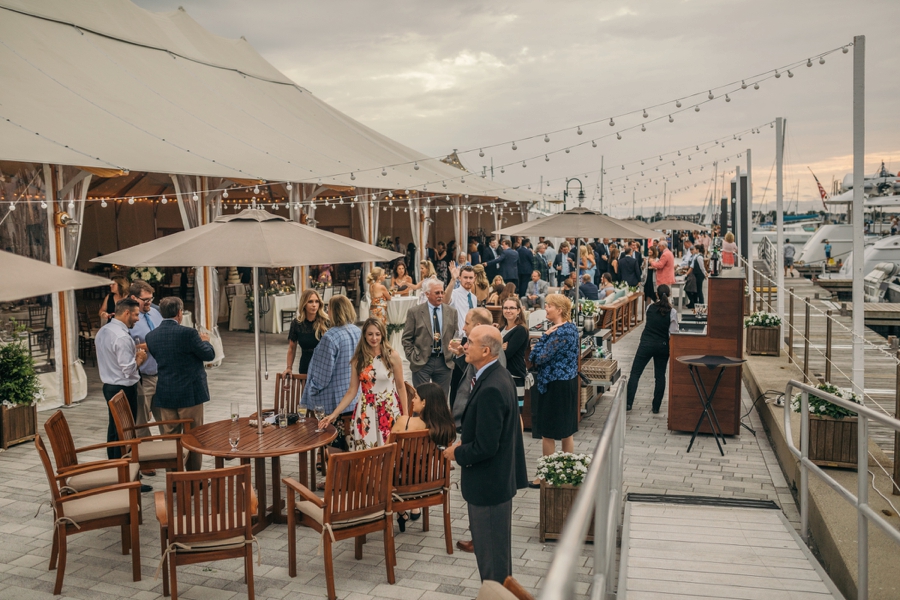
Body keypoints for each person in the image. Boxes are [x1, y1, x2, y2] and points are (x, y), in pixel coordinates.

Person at [443, 325, 527, 583]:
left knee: (492, 562)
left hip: (489, 487)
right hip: (496, 484)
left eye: (470, 342)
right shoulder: (498, 375)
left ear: (486, 351)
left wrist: (457, 452)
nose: (464, 346)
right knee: (495, 558)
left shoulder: (492, 386)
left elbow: (486, 446)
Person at [145, 296, 215, 472]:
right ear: (179, 313)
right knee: (193, 435)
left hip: (166, 392)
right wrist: (206, 342)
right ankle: (193, 477)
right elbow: (208, 355)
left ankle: (174, 478)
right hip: (190, 392)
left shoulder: (151, 336)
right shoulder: (188, 333)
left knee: (170, 437)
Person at [320, 318, 407, 450]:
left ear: (383, 335)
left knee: (389, 449)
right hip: (367, 410)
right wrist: (334, 414)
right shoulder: (358, 359)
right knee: (367, 451)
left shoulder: (392, 356)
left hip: (389, 408)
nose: (374, 338)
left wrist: (405, 416)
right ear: (364, 335)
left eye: (377, 334)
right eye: (370, 334)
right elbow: (352, 390)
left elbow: (400, 387)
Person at [391, 382, 457, 532]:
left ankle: (400, 511)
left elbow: (388, 452)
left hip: (400, 483)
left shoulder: (404, 422)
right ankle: (405, 511)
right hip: (428, 481)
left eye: (415, 397)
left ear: (424, 402)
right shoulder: (445, 427)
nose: (413, 400)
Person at [528, 294, 579, 487]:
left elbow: (536, 357)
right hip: (568, 383)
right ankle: (566, 472)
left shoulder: (558, 333)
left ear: (559, 310)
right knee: (567, 430)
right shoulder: (571, 328)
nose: (546, 308)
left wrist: (544, 336)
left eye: (549, 306)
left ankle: (546, 476)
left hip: (554, 385)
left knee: (547, 432)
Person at [302, 296, 361, 441]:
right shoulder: (357, 331)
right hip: (354, 397)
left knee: (327, 441)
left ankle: (325, 455)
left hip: (333, 403)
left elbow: (322, 375)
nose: (327, 311)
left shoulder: (330, 337)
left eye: (329, 308)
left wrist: (312, 389)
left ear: (334, 311)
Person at [95, 298, 147, 461]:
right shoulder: (122, 337)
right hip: (124, 389)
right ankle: (123, 468)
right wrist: (139, 359)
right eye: (136, 315)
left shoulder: (103, 330)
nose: (138, 319)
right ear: (126, 313)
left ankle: (114, 464)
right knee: (125, 430)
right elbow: (128, 369)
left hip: (109, 386)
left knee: (114, 429)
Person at [450, 308, 507, 427]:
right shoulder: (480, 347)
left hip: (473, 421)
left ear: (478, 326)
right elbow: (473, 373)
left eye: (467, 323)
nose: (463, 328)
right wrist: (462, 355)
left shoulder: (493, 353)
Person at [126, 281, 163, 465]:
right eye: (145, 300)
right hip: (143, 376)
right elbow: (124, 347)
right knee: (141, 421)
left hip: (162, 374)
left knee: (165, 417)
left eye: (151, 299)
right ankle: (147, 461)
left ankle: (170, 454)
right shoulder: (129, 319)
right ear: (134, 298)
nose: (149, 303)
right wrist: (144, 346)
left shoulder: (155, 313)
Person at [401, 278, 459, 396]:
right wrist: (413, 357)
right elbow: (406, 338)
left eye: (442, 292)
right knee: (422, 399)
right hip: (422, 362)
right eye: (437, 293)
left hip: (444, 362)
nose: (441, 295)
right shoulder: (415, 312)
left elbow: (455, 334)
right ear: (427, 294)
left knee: (441, 400)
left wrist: (452, 354)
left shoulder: (452, 312)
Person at [625, 285, 678, 413]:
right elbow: (673, 332)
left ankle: (628, 403)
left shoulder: (649, 307)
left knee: (635, 373)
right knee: (660, 376)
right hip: (662, 346)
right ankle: (656, 407)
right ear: (669, 294)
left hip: (646, 344)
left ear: (657, 294)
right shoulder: (672, 312)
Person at [283, 289, 329, 377]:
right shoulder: (297, 323)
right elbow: (292, 348)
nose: (314, 305)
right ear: (304, 304)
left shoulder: (326, 322)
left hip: (324, 366)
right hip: (305, 366)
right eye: (310, 302)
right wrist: (289, 367)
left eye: (317, 301)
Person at [498, 297, 529, 413]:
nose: (508, 311)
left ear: (518, 310)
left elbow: (508, 353)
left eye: (512, 308)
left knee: (516, 411)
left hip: (515, 375)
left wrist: (497, 347)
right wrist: (500, 346)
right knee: (504, 410)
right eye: (505, 308)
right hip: (502, 375)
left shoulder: (521, 330)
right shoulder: (501, 329)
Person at [445, 264, 477, 331]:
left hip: (471, 334)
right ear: (459, 278)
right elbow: (445, 301)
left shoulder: (474, 298)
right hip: (459, 334)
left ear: (474, 278)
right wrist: (453, 279)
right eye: (465, 277)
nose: (468, 281)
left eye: (471, 278)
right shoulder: (454, 294)